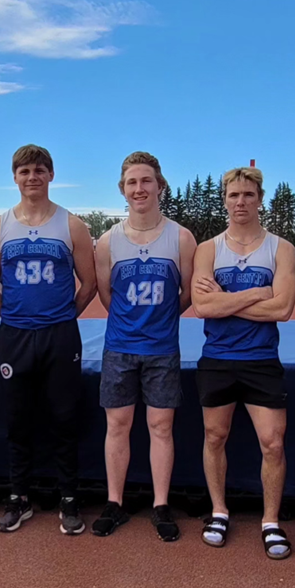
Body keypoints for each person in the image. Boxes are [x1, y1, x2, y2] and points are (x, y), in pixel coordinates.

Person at [0, 145, 97, 535]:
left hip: (60, 335)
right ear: (15, 177)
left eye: (39, 170)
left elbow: (90, 283)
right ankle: (19, 497)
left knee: (65, 418)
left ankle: (68, 497)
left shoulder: (71, 225)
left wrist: (62, 318)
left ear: (51, 175)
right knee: (17, 420)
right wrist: (14, 317)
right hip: (14, 335)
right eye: (25, 171)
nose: (32, 177)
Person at [192, 167, 295, 559]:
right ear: (225, 199)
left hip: (261, 360)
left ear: (259, 199)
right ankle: (219, 510)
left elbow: (284, 308)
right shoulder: (208, 249)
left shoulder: (279, 248)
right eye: (234, 195)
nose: (241, 202)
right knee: (215, 437)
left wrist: (227, 301)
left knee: (272, 442)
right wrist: (259, 292)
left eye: (248, 195)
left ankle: (270, 521)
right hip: (218, 359)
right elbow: (202, 306)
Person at [92, 152, 196, 542]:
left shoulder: (181, 237)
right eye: (132, 182)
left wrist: (162, 321)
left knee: (160, 426)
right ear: (123, 189)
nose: (140, 188)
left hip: (162, 348)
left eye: (146, 181)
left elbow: (185, 293)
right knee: (117, 425)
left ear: (160, 186)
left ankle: (160, 504)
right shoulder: (108, 242)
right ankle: (115, 502)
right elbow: (107, 295)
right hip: (119, 346)